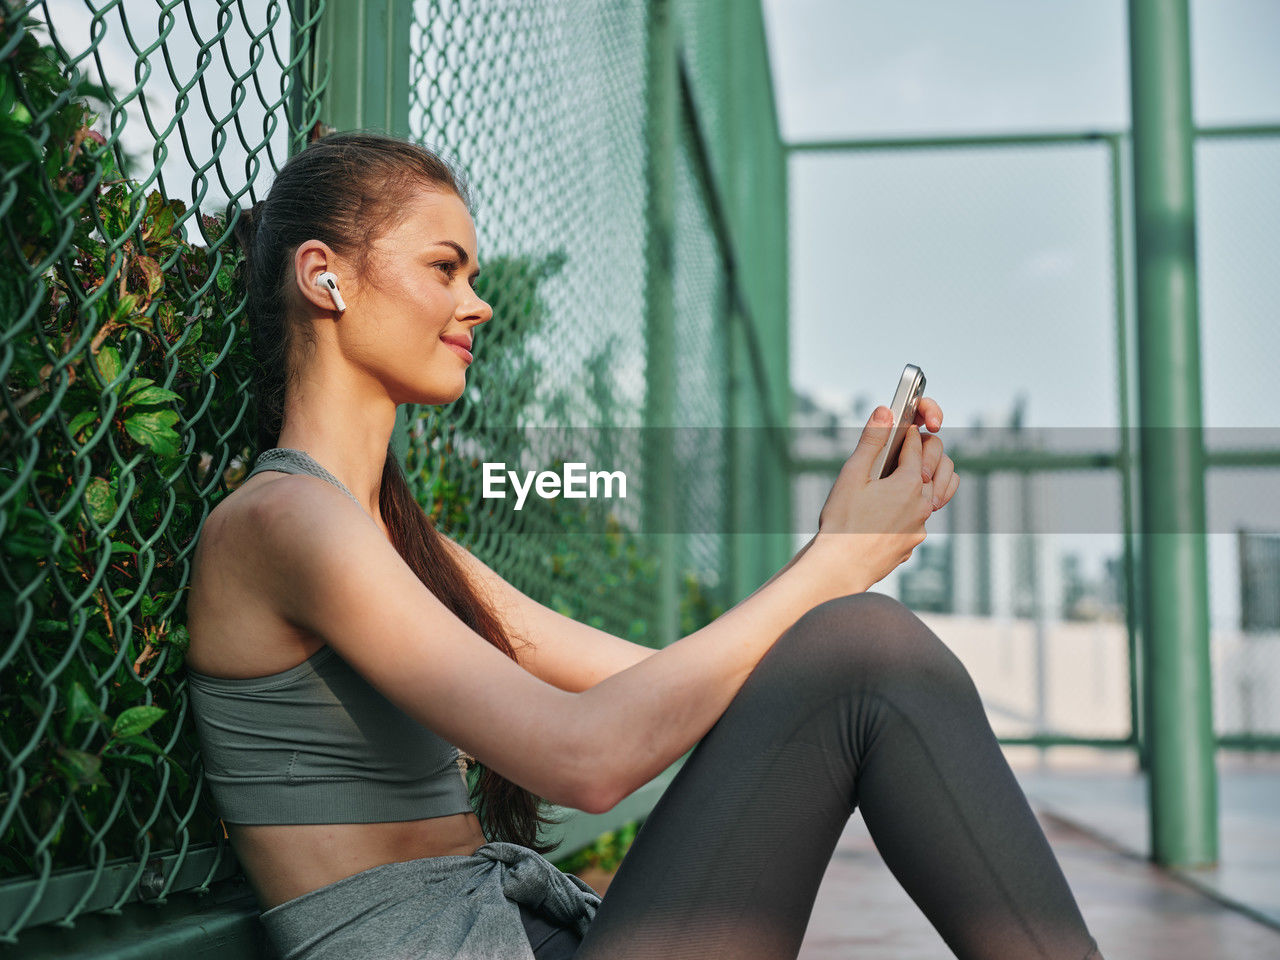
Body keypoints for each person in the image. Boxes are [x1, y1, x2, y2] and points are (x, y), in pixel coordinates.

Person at [183, 130, 1103, 960]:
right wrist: (835, 566)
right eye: (445, 268)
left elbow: (682, 685)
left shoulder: (400, 543)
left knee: (857, 651)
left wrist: (843, 543)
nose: (479, 305)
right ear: (325, 277)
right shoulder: (285, 523)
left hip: (533, 936)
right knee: (868, 644)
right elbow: (586, 758)